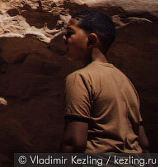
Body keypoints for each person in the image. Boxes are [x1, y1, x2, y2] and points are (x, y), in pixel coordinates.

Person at [59, 9, 149, 153]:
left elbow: (74, 142)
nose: (64, 39)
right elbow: (143, 143)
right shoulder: (126, 81)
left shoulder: (81, 78)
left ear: (92, 39)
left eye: (70, 33)